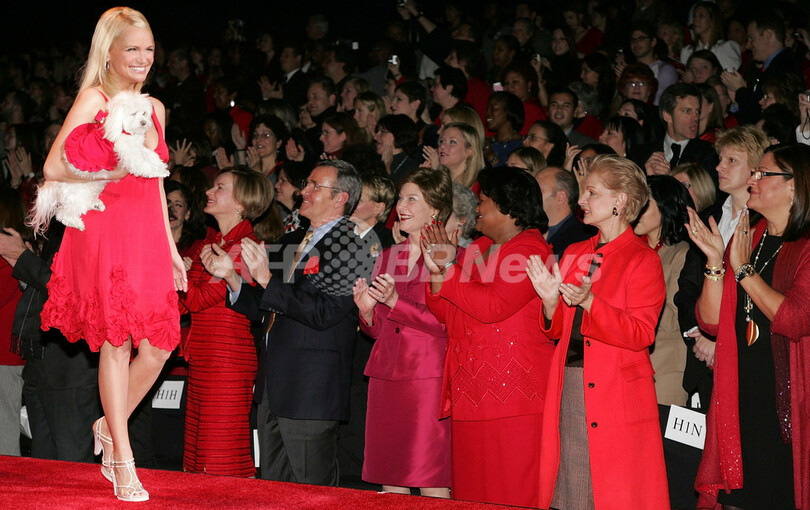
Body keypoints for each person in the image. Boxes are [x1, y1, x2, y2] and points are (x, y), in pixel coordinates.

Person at [38, 7, 187, 502]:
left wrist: (171, 248)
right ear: (109, 52)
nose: (143, 58)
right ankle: (123, 459)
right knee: (116, 342)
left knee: (161, 344)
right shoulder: (94, 99)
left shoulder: (156, 107)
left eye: (149, 49)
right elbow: (53, 168)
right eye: (133, 49)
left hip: (146, 235)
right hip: (104, 229)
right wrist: (109, 172)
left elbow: (158, 182)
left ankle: (108, 423)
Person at [203, 160, 368, 487]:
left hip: (311, 391)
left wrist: (266, 279)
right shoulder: (291, 240)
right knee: (273, 492)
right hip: (273, 387)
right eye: (306, 184)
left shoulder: (353, 247)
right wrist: (233, 278)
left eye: (315, 186)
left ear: (340, 199)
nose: (304, 191)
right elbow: (268, 306)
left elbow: (324, 313)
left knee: (313, 493)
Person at [527, 154, 669, 509]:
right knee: (570, 492)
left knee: (609, 492)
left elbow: (641, 334)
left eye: (592, 192)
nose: (582, 200)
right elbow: (559, 331)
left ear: (619, 200)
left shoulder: (643, 259)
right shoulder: (575, 251)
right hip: (569, 384)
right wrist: (549, 303)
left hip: (614, 394)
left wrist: (590, 302)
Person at [423, 166, 555, 507]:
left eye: (483, 200)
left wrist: (449, 267)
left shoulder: (531, 249)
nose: (477, 208)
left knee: (512, 494)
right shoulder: (478, 248)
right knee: (471, 495)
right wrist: (437, 269)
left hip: (513, 395)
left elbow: (493, 306)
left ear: (508, 207)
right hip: (471, 390)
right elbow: (445, 312)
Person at [687, 144, 810, 510]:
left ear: (793, 185)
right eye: (753, 172)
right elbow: (711, 321)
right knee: (738, 498)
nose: (752, 180)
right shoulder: (750, 237)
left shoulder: (805, 246)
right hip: (742, 394)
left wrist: (742, 270)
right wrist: (715, 262)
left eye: (762, 173)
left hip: (790, 402)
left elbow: (794, 319)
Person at [353, 166, 453, 497]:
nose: (401, 206)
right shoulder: (387, 257)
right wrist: (367, 313)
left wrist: (396, 301)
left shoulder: (451, 256)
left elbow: (445, 323)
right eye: (400, 198)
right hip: (385, 377)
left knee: (430, 478)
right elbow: (378, 329)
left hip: (427, 380)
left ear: (435, 209)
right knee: (390, 478)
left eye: (412, 199)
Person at [180, 167, 271, 477]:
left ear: (241, 203)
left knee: (219, 454)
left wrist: (177, 272)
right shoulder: (212, 242)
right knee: (198, 453)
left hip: (227, 360)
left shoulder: (245, 245)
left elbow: (194, 299)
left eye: (220, 187)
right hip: (205, 356)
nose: (210, 191)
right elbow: (185, 302)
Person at [632, 83, 719, 183]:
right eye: (687, 111)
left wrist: (670, 180)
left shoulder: (708, 154)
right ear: (667, 116)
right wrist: (648, 179)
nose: (696, 117)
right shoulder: (641, 154)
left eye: (697, 112)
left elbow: (709, 192)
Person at [535, 166, 597, 259]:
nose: (531, 196)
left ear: (560, 197)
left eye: (538, 191)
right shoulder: (526, 229)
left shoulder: (581, 239)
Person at [680, 2, 742, 73]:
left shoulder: (726, 48)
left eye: (701, 16)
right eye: (694, 16)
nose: (695, 20)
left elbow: (733, 76)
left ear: (712, 20)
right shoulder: (687, 51)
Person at [483, 92, 524, 167]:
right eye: (487, 109)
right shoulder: (488, 143)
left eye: (494, 109)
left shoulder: (522, 145)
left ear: (509, 111)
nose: (487, 113)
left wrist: (492, 157)